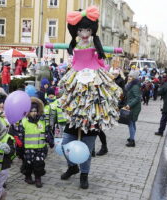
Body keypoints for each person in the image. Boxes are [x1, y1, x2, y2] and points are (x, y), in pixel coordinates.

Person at [59, 6, 122, 189]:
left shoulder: (95, 43)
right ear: (76, 31)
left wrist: (101, 57)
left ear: (92, 30)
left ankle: (84, 175)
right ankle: (72, 167)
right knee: (65, 144)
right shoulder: (76, 45)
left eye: (87, 29)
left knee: (86, 149)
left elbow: (101, 59)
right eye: (81, 30)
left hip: (92, 110)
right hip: (76, 90)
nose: (84, 33)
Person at [17, 97, 54, 188]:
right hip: (28, 148)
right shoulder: (24, 122)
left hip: (41, 147)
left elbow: (47, 132)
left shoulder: (42, 121)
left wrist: (50, 139)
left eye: (35, 111)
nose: (34, 113)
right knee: (28, 163)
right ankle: (28, 176)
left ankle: (38, 178)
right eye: (32, 111)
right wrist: (19, 147)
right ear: (28, 111)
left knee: (39, 163)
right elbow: (20, 135)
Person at [123, 70, 142, 147]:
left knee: (131, 123)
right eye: (129, 76)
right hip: (132, 106)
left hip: (134, 107)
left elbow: (137, 98)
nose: (129, 77)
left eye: (131, 76)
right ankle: (132, 137)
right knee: (132, 123)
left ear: (135, 78)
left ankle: (132, 141)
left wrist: (129, 105)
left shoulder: (135, 86)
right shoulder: (131, 84)